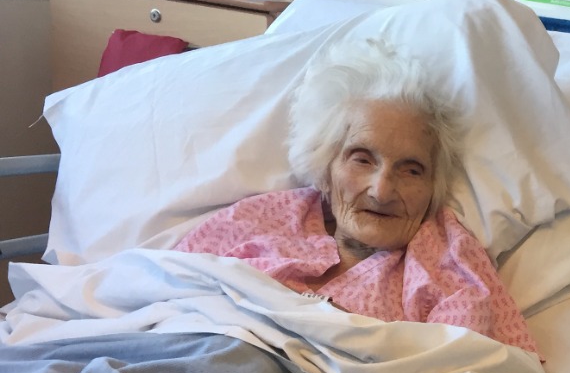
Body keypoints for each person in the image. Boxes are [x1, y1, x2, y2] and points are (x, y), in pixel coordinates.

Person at [175, 37, 537, 356]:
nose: (382, 190)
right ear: (326, 166)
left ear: (433, 188)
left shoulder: (449, 261)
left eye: (411, 170)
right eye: (362, 159)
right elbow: (162, 292)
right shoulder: (258, 221)